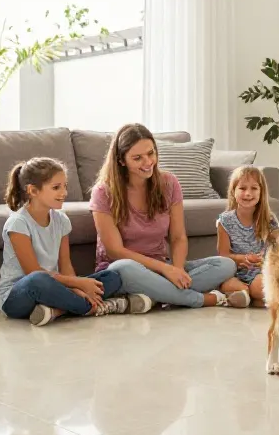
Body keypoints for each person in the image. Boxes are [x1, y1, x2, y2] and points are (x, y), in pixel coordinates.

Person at [91, 123, 245, 309]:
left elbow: (178, 237)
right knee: (124, 268)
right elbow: (115, 251)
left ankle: (153, 296)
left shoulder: (169, 183)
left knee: (226, 265)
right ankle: (202, 299)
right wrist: (166, 269)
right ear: (121, 160)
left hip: (161, 268)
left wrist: (177, 270)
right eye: (137, 158)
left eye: (151, 153)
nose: (148, 162)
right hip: (122, 270)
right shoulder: (103, 192)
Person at [0, 157, 136, 326]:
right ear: (33, 191)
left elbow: (65, 265)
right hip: (19, 296)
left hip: (56, 287)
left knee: (112, 276)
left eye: (65, 186)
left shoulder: (61, 220)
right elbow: (32, 271)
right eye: (56, 187)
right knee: (38, 279)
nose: (64, 193)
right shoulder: (18, 223)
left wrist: (76, 288)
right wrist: (77, 284)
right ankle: (93, 307)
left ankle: (57, 310)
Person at [215, 165, 279, 308]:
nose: (248, 193)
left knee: (261, 288)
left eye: (254, 188)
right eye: (242, 188)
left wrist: (262, 258)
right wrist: (242, 258)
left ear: (261, 192)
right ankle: (245, 294)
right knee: (229, 285)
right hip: (234, 273)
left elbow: (275, 251)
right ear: (233, 191)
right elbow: (223, 255)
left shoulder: (269, 220)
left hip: (258, 272)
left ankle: (249, 296)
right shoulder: (225, 221)